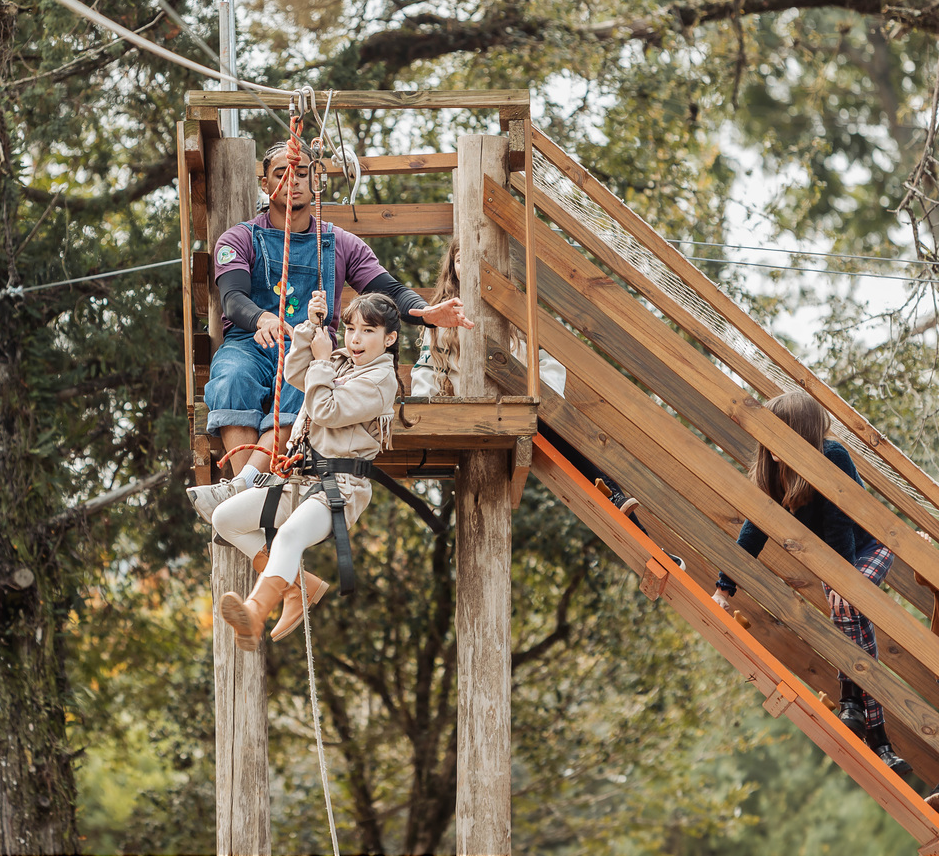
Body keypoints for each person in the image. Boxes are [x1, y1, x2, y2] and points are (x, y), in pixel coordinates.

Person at [187, 141, 473, 523]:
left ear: (316, 180)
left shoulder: (340, 243)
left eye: (302, 173)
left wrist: (425, 313)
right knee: (231, 375)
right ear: (265, 181)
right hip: (249, 343)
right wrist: (263, 320)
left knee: (301, 386)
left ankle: (239, 494)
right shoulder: (239, 239)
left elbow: (389, 290)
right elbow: (234, 298)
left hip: (310, 349)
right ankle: (251, 488)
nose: (293, 181)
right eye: (281, 174)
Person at [711, 391, 910, 776]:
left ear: (801, 435)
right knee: (852, 620)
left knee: (847, 606)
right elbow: (753, 533)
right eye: (767, 440)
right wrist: (723, 588)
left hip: (868, 548)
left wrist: (844, 583)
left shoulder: (831, 456)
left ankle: (857, 706)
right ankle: (878, 740)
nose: (771, 449)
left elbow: (840, 525)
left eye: (780, 436)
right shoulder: (772, 475)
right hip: (836, 567)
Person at [211, 290, 402, 650]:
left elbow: (326, 408)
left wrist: (322, 360)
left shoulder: (380, 381)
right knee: (225, 518)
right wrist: (308, 331)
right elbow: (298, 374)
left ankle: (254, 613)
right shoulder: (343, 363)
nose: (355, 339)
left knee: (288, 538)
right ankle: (298, 585)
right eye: (350, 329)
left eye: (367, 331)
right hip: (301, 479)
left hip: (340, 489)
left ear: (389, 339)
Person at [411, 238, 645, 522]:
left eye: (477, 259)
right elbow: (425, 367)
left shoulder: (517, 308)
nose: (469, 267)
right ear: (452, 268)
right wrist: (421, 411)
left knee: (566, 440)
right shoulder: (442, 317)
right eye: (461, 260)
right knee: (556, 442)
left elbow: (549, 360)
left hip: (517, 403)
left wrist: (541, 399)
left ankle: (618, 500)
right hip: (469, 408)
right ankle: (617, 499)